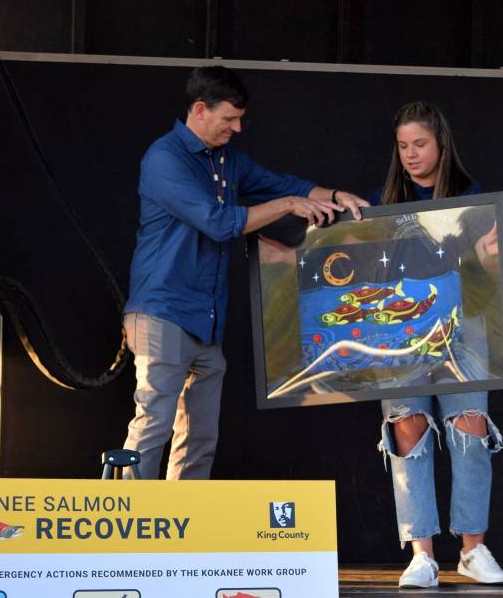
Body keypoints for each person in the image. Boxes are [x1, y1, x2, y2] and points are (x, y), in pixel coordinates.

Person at [122, 66, 369, 480]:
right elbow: (218, 221)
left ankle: (185, 532)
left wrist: (335, 195)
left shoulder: (229, 160)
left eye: (240, 119)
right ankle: (126, 531)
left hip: (207, 319)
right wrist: (290, 205)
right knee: (153, 424)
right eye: (229, 119)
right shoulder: (165, 158)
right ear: (200, 110)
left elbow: (279, 182)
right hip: (162, 310)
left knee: (200, 438)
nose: (237, 128)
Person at [372, 101, 503, 589]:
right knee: (407, 432)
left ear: (440, 144)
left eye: (420, 144)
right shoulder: (383, 202)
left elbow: (483, 274)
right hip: (401, 330)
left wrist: (492, 251)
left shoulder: (471, 197)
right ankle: (422, 553)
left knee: (470, 431)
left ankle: (473, 550)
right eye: (403, 145)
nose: (411, 154)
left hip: (463, 328)